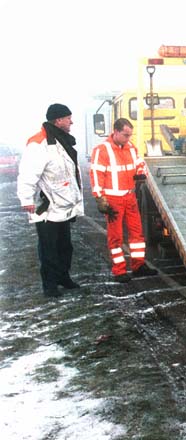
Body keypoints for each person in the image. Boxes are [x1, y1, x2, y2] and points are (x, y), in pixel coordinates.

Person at [17, 103, 85, 298]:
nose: (71, 121)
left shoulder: (61, 141)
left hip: (62, 204)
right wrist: (26, 199)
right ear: (58, 120)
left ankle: (63, 277)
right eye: (68, 118)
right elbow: (28, 174)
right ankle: (50, 285)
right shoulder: (39, 143)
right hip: (47, 206)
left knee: (65, 245)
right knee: (49, 248)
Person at [89, 118, 157, 283]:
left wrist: (141, 172)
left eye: (130, 135)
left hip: (130, 197)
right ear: (116, 132)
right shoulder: (102, 150)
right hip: (113, 200)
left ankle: (138, 266)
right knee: (116, 236)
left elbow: (140, 163)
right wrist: (100, 199)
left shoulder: (130, 147)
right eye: (126, 135)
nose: (128, 138)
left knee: (137, 234)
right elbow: (96, 175)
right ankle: (119, 270)